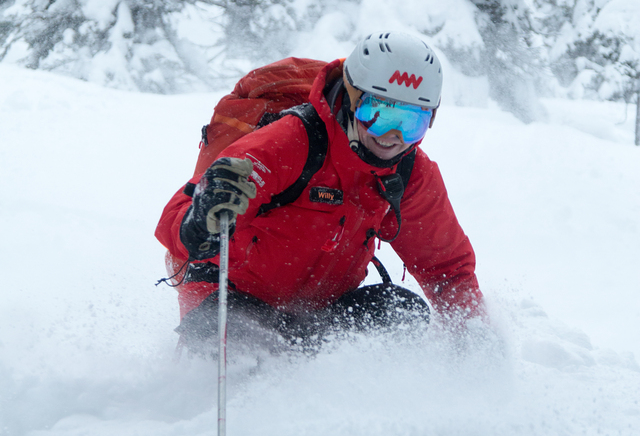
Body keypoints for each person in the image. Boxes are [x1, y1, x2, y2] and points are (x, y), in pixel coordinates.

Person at [155, 31, 484, 354]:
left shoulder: (408, 172)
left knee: (400, 313)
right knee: (253, 359)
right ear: (354, 99)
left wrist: (475, 338)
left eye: (411, 122)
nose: (393, 136)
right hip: (231, 300)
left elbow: (448, 269)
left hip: (318, 314)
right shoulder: (292, 141)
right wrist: (202, 219)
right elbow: (179, 211)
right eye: (377, 114)